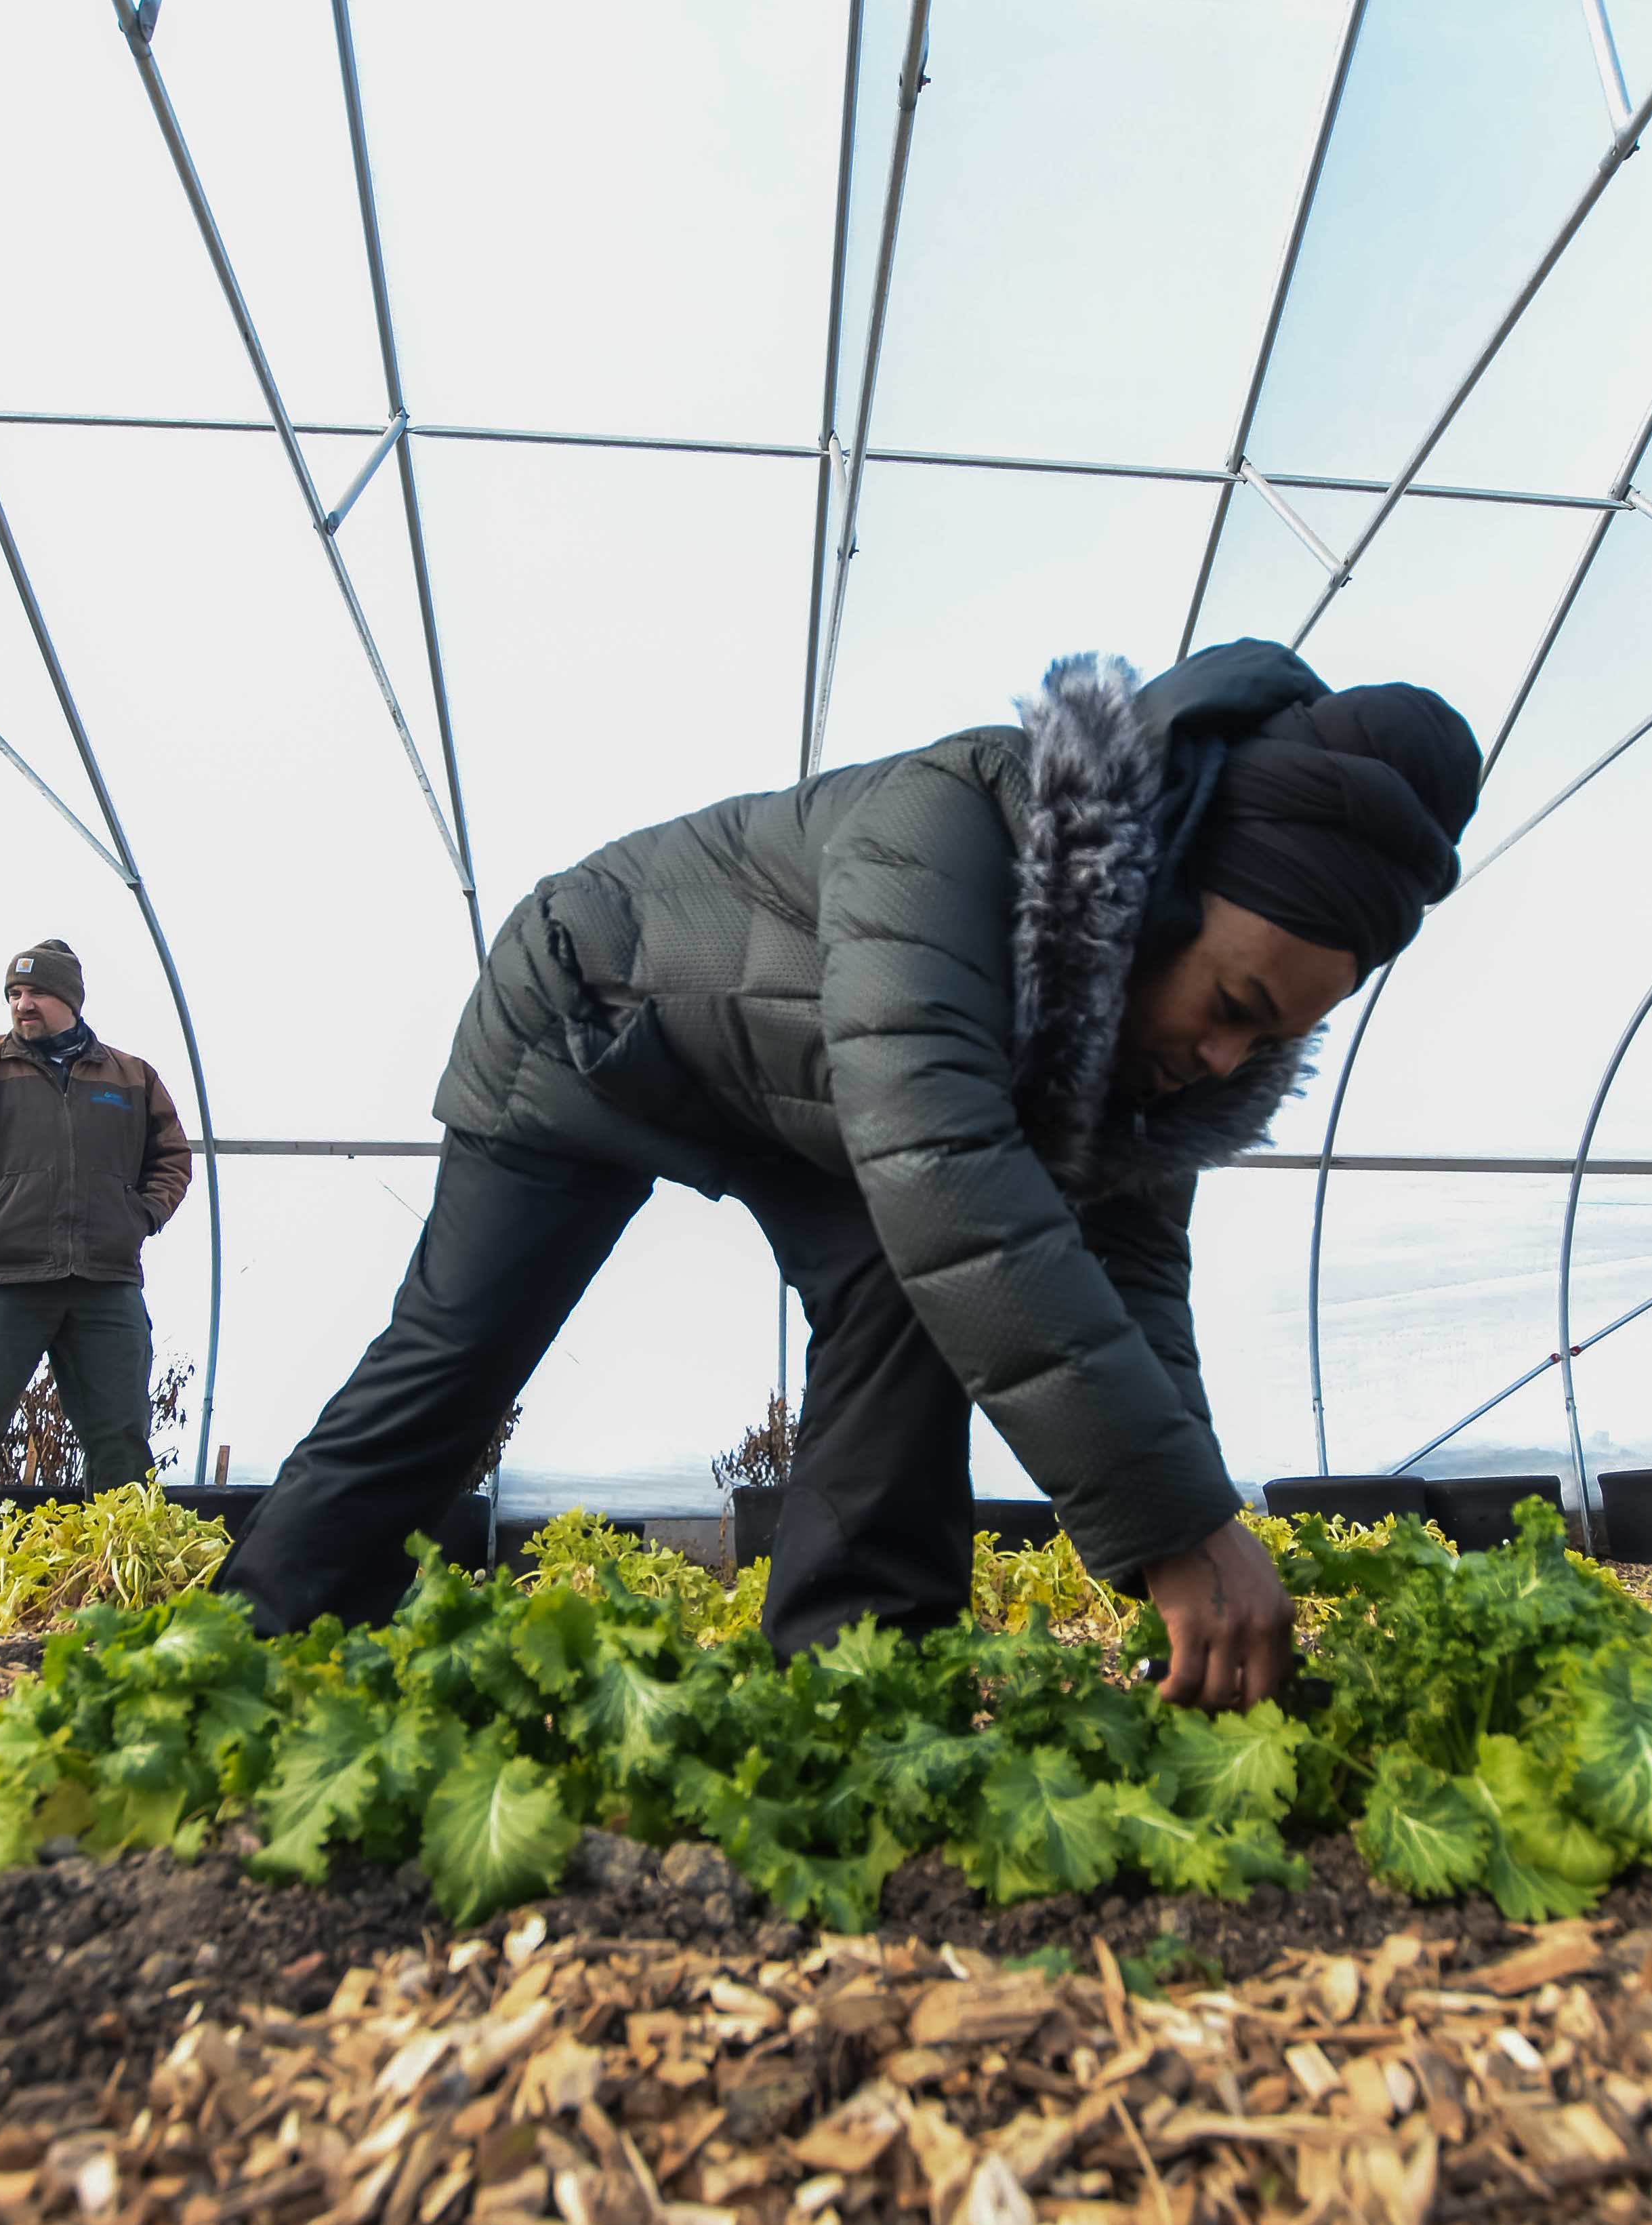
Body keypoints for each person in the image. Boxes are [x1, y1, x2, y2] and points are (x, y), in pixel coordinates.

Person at [217, 638, 1481, 1707]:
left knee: (913, 1300)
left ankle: (857, 1678)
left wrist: (1195, 1521)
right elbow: (942, 1169)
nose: (1222, 1056)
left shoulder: (1157, 1053)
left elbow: (1135, 1278)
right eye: (1234, 1003)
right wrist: (1171, 1527)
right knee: (461, 1352)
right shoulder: (947, 833)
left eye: (1270, 1040)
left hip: (815, 1095)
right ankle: (251, 1643)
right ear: (1150, 894)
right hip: (598, 1020)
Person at [0, 941, 192, 1526]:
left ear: (70, 1000)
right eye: (14, 993)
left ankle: (114, 1581)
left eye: (35, 993)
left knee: (122, 1441)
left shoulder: (130, 1076)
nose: (22, 1004)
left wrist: (141, 1215)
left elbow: (172, 1157)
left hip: (105, 1283)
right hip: (0, 1277)